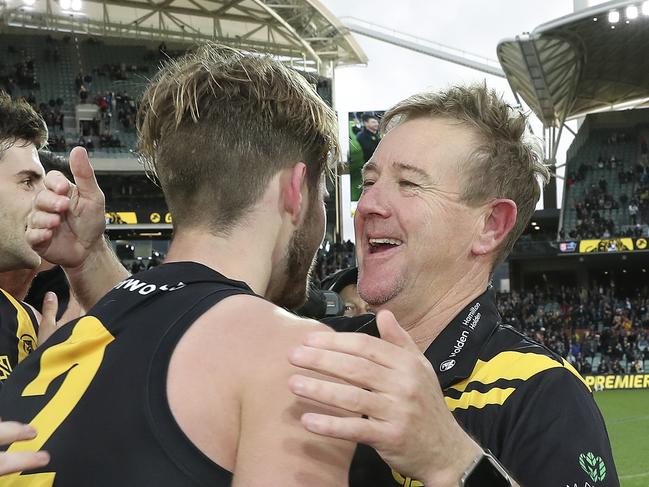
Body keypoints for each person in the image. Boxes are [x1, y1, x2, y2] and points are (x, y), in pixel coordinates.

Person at [0, 44, 355, 485]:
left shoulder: (69, 341)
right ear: (296, 190)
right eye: (321, 197)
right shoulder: (298, 356)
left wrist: (90, 257)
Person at [288, 85, 619, 486]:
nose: (369, 205)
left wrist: (451, 461)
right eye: (369, 182)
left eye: (409, 184)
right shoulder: (311, 352)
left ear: (490, 225)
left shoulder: (541, 394)